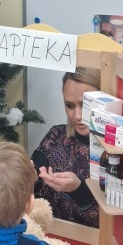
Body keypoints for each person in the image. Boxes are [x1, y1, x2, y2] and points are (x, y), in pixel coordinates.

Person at [31, 67, 102, 227]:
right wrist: (31, 179)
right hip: (58, 238)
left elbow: (117, 221)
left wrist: (78, 189)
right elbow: (35, 198)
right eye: (69, 105)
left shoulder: (121, 150)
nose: (77, 116)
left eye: (86, 105)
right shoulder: (56, 136)